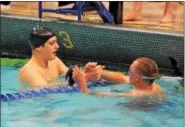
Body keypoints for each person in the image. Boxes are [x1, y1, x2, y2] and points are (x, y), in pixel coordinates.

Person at [18, 27, 101, 89]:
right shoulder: (29, 71)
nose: (57, 46)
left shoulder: (54, 61)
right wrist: (85, 78)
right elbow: (46, 89)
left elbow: (69, 76)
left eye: (56, 42)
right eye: (52, 43)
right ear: (39, 48)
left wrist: (86, 72)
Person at [72, 57, 163, 97]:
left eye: (130, 72)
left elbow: (93, 95)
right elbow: (122, 78)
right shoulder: (150, 83)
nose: (128, 74)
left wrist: (81, 83)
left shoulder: (137, 94)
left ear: (137, 78)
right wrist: (99, 72)